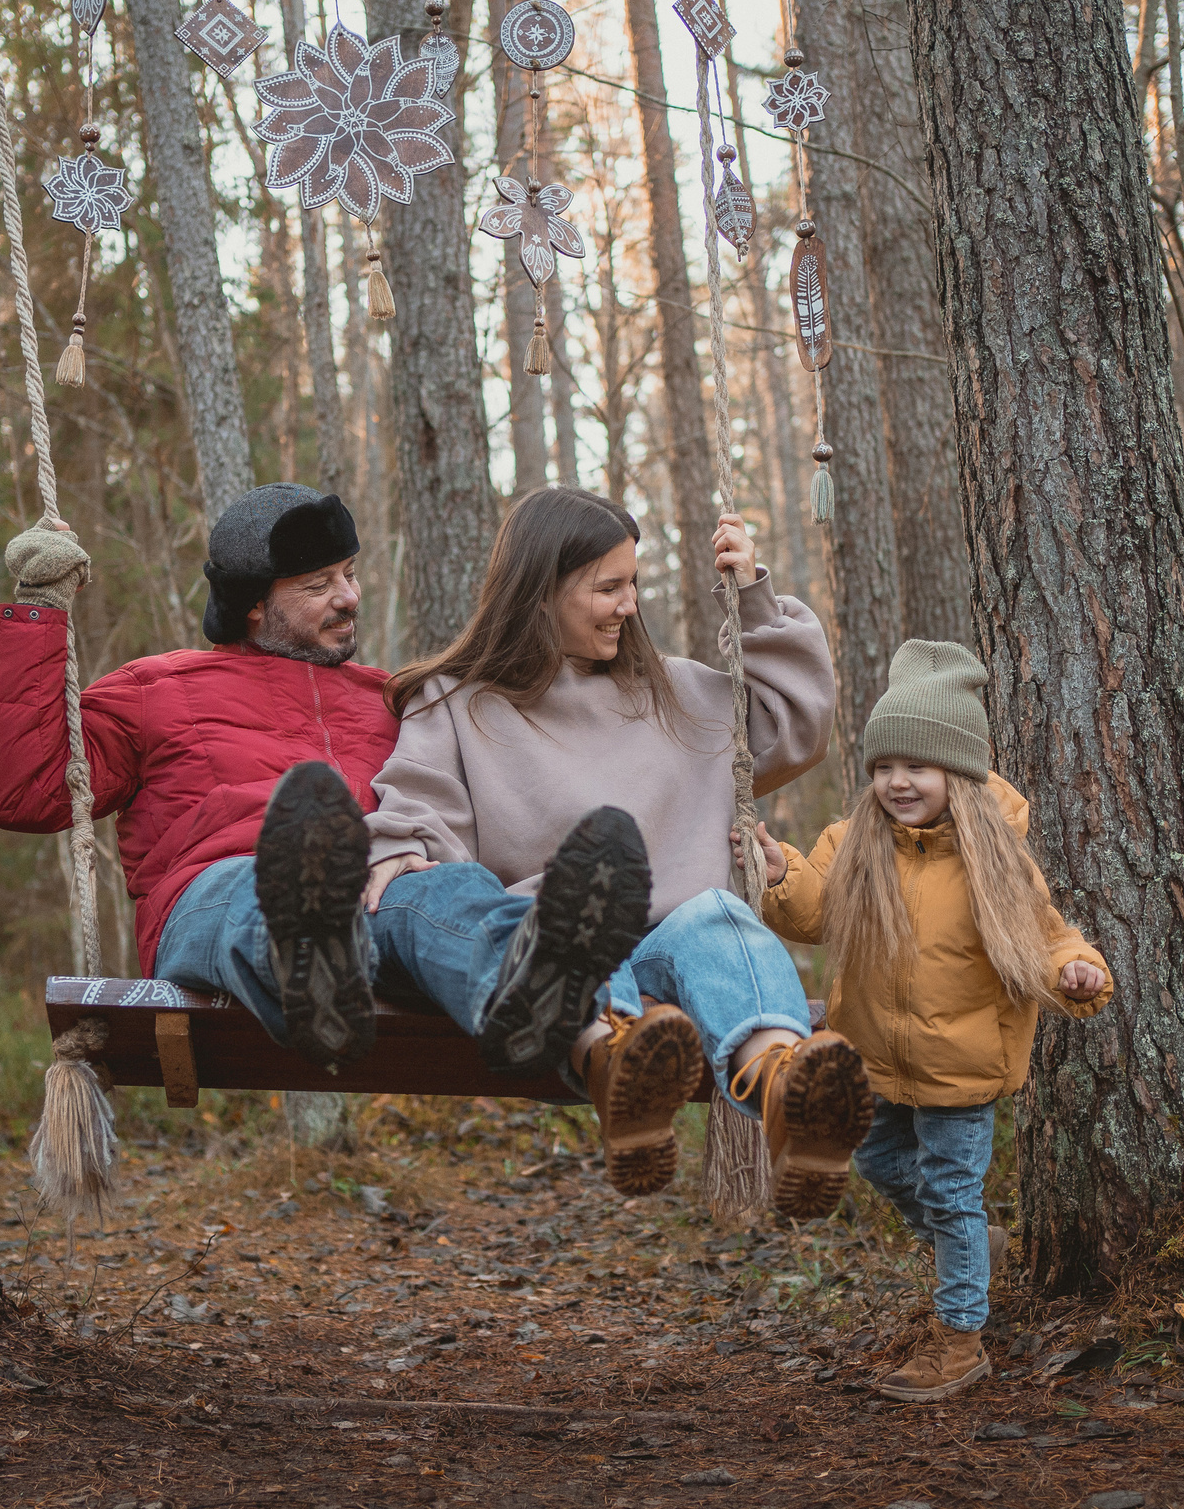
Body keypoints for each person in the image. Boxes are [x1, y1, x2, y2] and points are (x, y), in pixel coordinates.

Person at [362, 486, 872, 1220]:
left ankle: (788, 1086)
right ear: (539, 592)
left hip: (680, 931)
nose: (630, 603)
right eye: (609, 587)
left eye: (633, 582)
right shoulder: (458, 703)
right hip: (565, 936)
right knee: (568, 929)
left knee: (718, 918)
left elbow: (797, 722)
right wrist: (400, 856)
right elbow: (418, 811)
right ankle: (622, 1071)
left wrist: (753, 600)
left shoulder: (678, 694)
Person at [51, 483, 630, 1075]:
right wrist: (36, 615)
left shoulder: (394, 698)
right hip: (216, 895)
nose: (350, 597)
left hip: (370, 891)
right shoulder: (157, 689)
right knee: (272, 890)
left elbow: (502, 791)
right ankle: (314, 965)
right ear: (254, 603)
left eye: (349, 574)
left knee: (444, 890)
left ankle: (600, 1049)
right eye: (318, 585)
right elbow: (33, 793)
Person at [746, 640, 1114, 1402]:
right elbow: (815, 906)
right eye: (884, 766)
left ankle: (960, 1341)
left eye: (917, 765)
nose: (897, 781)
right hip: (873, 1057)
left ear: (959, 772)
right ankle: (976, 1249)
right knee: (880, 1163)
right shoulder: (855, 846)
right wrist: (781, 873)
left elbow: (1047, 938)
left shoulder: (994, 862)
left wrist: (1078, 973)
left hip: (962, 1068)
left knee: (949, 1193)